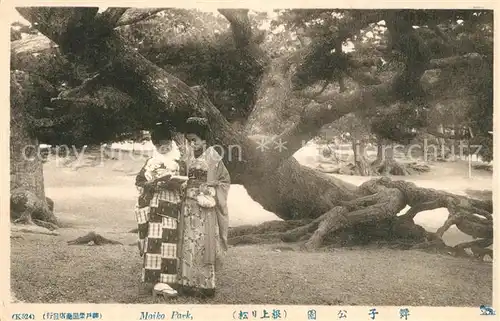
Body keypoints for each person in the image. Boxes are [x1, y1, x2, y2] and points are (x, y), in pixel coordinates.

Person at [177, 117, 230, 298]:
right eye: (189, 140)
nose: (192, 144)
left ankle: (207, 285)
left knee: (204, 244)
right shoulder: (186, 157)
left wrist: (212, 191)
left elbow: (224, 180)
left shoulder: (213, 156)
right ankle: (186, 283)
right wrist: (182, 185)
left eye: (195, 140)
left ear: (204, 140)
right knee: (187, 244)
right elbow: (181, 177)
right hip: (188, 207)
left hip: (205, 208)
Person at [134, 122, 185, 299]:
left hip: (172, 205)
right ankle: (155, 281)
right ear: (155, 146)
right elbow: (139, 183)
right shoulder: (150, 162)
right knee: (154, 242)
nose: (164, 148)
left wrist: (176, 183)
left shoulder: (180, 163)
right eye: (159, 145)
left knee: (171, 241)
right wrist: (151, 185)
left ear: (171, 143)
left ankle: (170, 281)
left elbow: (186, 183)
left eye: (167, 144)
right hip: (155, 206)